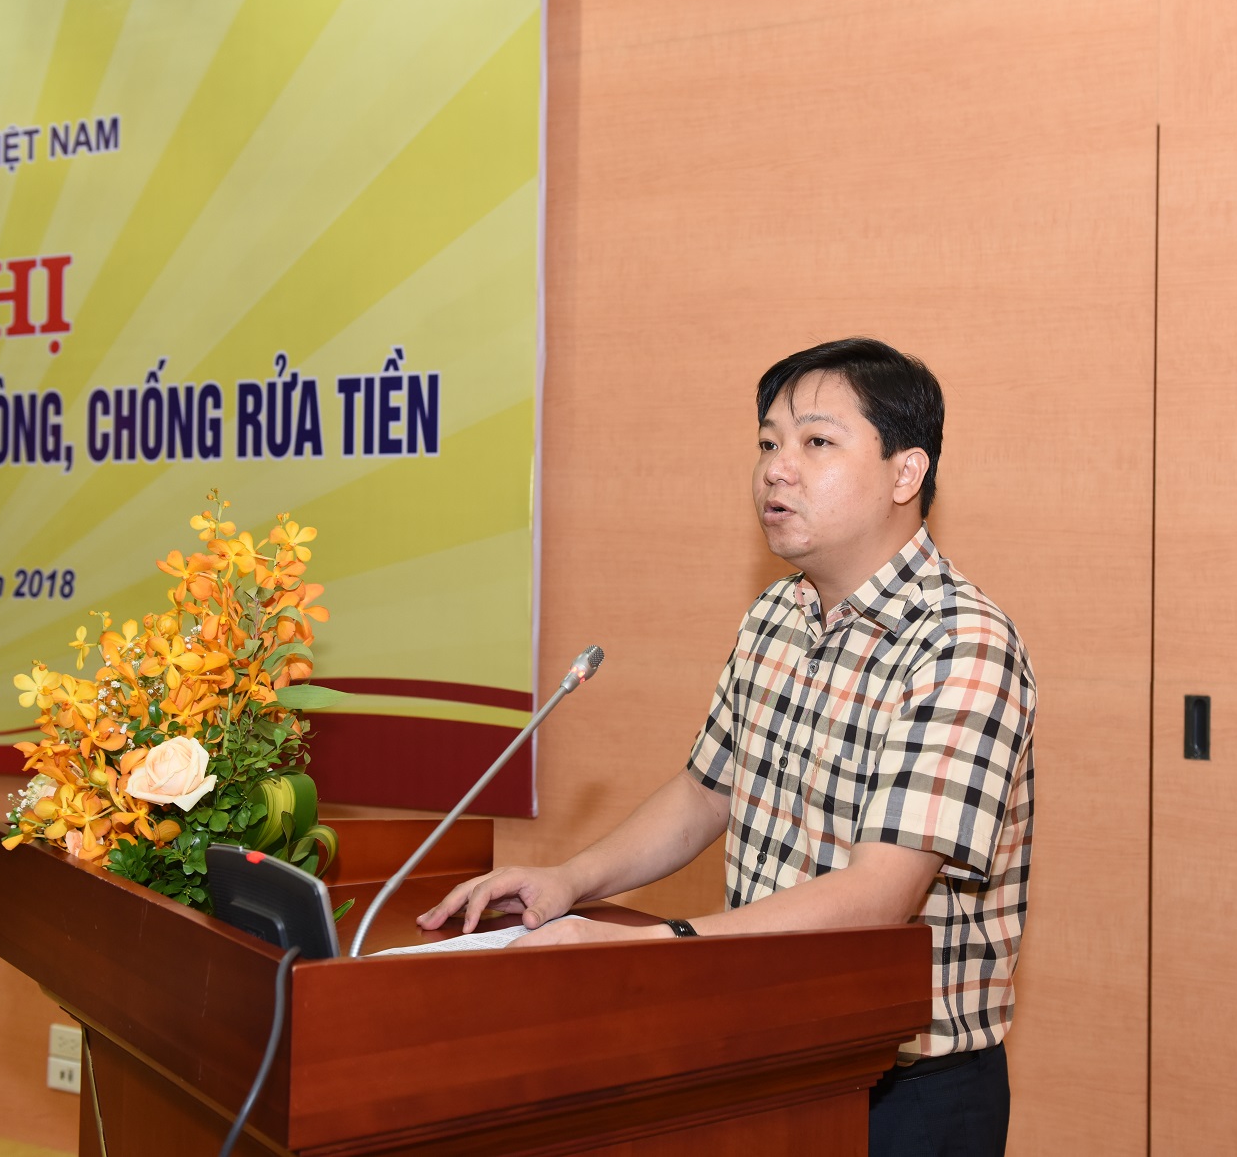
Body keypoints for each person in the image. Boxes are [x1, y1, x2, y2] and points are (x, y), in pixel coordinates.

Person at [418, 337, 1037, 1157]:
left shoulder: (962, 643)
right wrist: (570, 881)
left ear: (905, 472)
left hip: (907, 1092)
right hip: (764, 1049)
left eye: (817, 442)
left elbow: (879, 895)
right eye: (768, 443)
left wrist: (655, 948)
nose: (777, 469)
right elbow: (705, 793)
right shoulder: (776, 615)